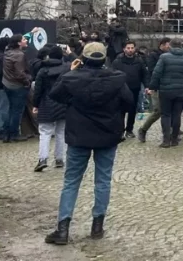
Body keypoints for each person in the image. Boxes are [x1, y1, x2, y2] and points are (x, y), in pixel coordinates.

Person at [43, 42, 133, 245]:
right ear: (104, 58)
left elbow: (55, 94)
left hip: (79, 135)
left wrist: (70, 69)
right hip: (108, 135)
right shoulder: (117, 79)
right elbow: (129, 102)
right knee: (103, 180)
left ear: (83, 58)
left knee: (71, 182)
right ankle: (97, 225)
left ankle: (63, 228)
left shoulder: (71, 78)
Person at [147, 42, 183, 148]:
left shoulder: (164, 57)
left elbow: (157, 73)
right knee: (176, 115)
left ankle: (166, 140)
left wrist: (152, 87)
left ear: (170, 47)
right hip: (181, 90)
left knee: (166, 115)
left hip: (166, 90)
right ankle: (174, 139)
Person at [32, 46, 71, 172]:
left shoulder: (43, 71)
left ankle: (43, 159)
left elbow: (38, 90)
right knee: (61, 132)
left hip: (46, 104)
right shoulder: (67, 69)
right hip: (63, 104)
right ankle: (59, 158)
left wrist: (35, 105)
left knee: (45, 132)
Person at [111, 41, 149, 139]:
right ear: (124, 49)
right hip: (121, 90)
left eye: (132, 48)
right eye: (128, 48)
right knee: (120, 111)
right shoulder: (117, 61)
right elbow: (112, 75)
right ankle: (120, 131)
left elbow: (144, 74)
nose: (130, 50)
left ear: (135, 49)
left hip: (134, 89)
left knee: (132, 111)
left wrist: (147, 86)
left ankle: (129, 130)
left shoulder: (139, 61)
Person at [137, 38, 170, 143]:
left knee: (169, 110)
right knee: (158, 111)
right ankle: (143, 130)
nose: (169, 47)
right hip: (156, 86)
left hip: (167, 86)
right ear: (162, 45)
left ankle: (170, 132)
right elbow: (152, 71)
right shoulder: (153, 55)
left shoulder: (169, 56)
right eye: (168, 45)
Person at [2, 33, 31, 143]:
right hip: (17, 86)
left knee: (10, 109)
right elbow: (20, 74)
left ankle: (6, 134)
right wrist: (27, 81)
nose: (26, 40)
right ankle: (14, 134)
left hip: (7, 84)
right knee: (16, 111)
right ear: (19, 43)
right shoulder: (19, 55)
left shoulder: (7, 52)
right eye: (24, 39)